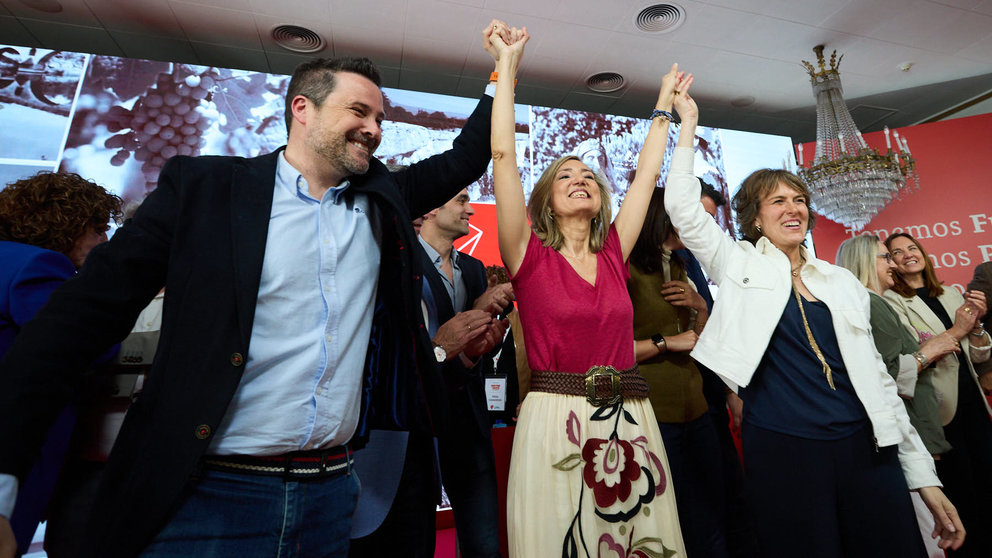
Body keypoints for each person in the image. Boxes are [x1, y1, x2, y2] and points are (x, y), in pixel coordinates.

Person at [0, 32, 503, 557]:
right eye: (359, 111)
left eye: (380, 119)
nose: (374, 130)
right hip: (205, 496)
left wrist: (501, 72)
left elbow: (467, 157)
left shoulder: (383, 200)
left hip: (331, 497)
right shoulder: (205, 190)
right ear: (302, 108)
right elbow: (79, 321)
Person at [664, 156, 964, 556]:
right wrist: (680, 116)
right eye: (778, 201)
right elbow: (683, 208)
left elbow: (878, 381)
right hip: (785, 451)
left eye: (800, 199)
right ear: (755, 218)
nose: (794, 208)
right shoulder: (737, 264)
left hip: (867, 447)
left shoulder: (841, 282)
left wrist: (924, 478)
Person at [489, 24, 689, 557]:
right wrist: (507, 68)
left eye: (588, 176)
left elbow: (646, 179)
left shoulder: (612, 255)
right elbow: (503, 157)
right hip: (556, 418)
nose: (580, 178)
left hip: (632, 415)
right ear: (545, 201)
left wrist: (664, 108)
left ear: (601, 198)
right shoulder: (526, 255)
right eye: (564, 176)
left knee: (638, 542)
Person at [350, 188, 509, 558]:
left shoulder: (472, 268)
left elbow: (469, 349)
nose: (471, 209)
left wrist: (480, 340)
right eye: (462, 200)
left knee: (483, 539)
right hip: (417, 424)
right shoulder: (397, 267)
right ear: (432, 207)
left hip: (467, 418)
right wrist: (448, 343)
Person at [0, 171, 122, 556]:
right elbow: (82, 345)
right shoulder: (41, 265)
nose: (105, 241)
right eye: (97, 229)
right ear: (64, 224)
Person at [836, 233, 965, 556]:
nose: (894, 264)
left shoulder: (872, 303)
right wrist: (928, 352)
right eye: (886, 257)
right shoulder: (872, 304)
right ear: (865, 262)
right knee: (930, 537)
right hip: (907, 428)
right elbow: (886, 375)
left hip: (913, 429)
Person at [628, 187, 731, 557]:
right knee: (667, 519)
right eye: (692, 215)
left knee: (710, 514)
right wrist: (665, 342)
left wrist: (701, 307)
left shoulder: (681, 264)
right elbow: (603, 348)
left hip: (698, 409)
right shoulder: (628, 268)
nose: (701, 225)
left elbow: (701, 342)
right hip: (652, 415)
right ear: (664, 214)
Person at [884, 232, 992, 557]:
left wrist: (976, 328)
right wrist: (959, 329)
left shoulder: (951, 293)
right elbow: (910, 357)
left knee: (987, 480)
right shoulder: (891, 302)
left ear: (924, 254)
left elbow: (978, 356)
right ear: (890, 263)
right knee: (961, 491)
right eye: (897, 252)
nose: (907, 255)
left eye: (912, 248)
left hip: (972, 399)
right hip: (937, 409)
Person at [674, 179, 758, 558]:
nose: (703, 228)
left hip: (712, 394)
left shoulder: (698, 259)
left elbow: (715, 331)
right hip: (674, 399)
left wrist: (729, 393)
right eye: (697, 218)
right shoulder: (656, 260)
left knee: (732, 494)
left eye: (710, 219)